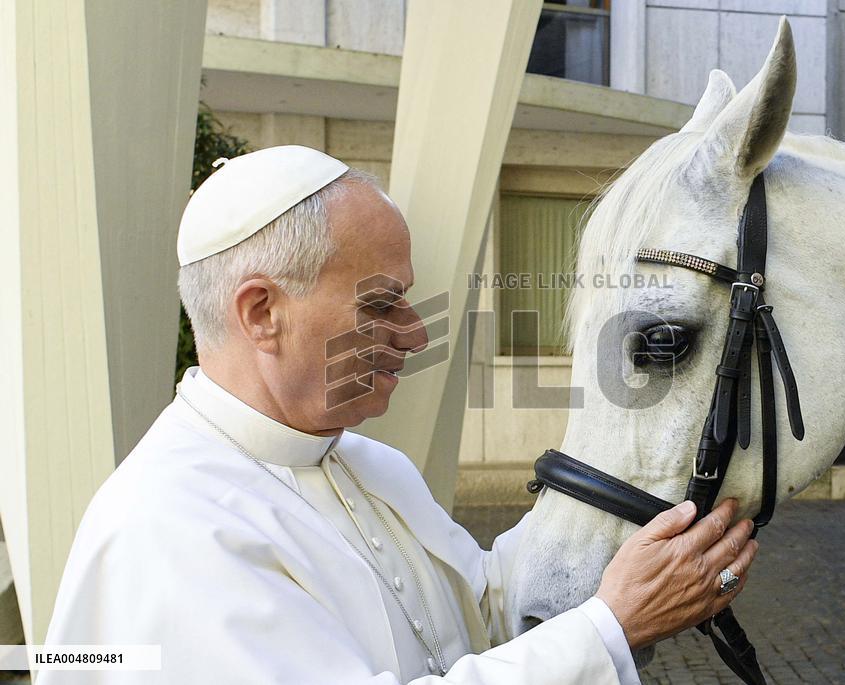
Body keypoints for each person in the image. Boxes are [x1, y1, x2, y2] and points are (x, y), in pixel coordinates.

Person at [40, 146, 758, 684]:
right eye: (382, 303)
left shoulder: (370, 463)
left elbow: (480, 611)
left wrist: (609, 524)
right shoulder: (163, 531)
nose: (416, 334)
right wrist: (611, 626)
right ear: (262, 312)